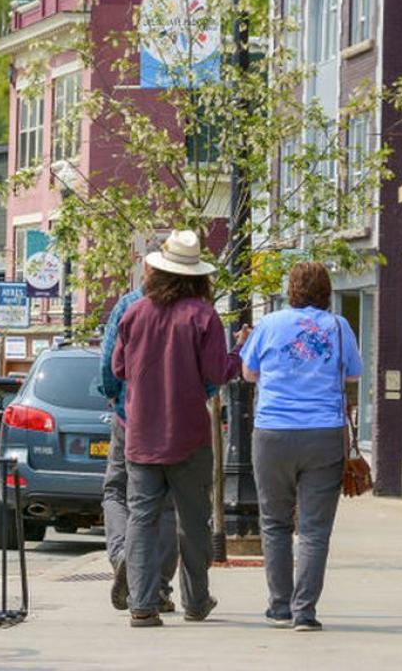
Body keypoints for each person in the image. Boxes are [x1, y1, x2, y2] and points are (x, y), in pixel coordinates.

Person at [112, 230, 246, 628]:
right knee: (193, 522)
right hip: (188, 436)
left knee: (141, 520)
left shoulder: (134, 313)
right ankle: (197, 601)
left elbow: (119, 369)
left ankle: (142, 604)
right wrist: (238, 351)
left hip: (140, 436)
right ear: (198, 277)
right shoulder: (204, 316)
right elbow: (217, 372)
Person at [239, 262, 362, 632]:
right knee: (314, 529)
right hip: (323, 433)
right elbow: (353, 374)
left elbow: (248, 373)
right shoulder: (339, 327)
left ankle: (279, 607)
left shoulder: (269, 324)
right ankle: (304, 612)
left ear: (291, 288)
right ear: (326, 290)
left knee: (274, 523)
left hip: (273, 432)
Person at [97, 282, 180, 613]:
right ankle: (158, 587)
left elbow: (109, 362)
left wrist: (115, 395)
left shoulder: (128, 304)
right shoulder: (195, 307)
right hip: (178, 421)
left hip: (132, 417)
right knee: (168, 504)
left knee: (117, 492)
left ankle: (123, 558)